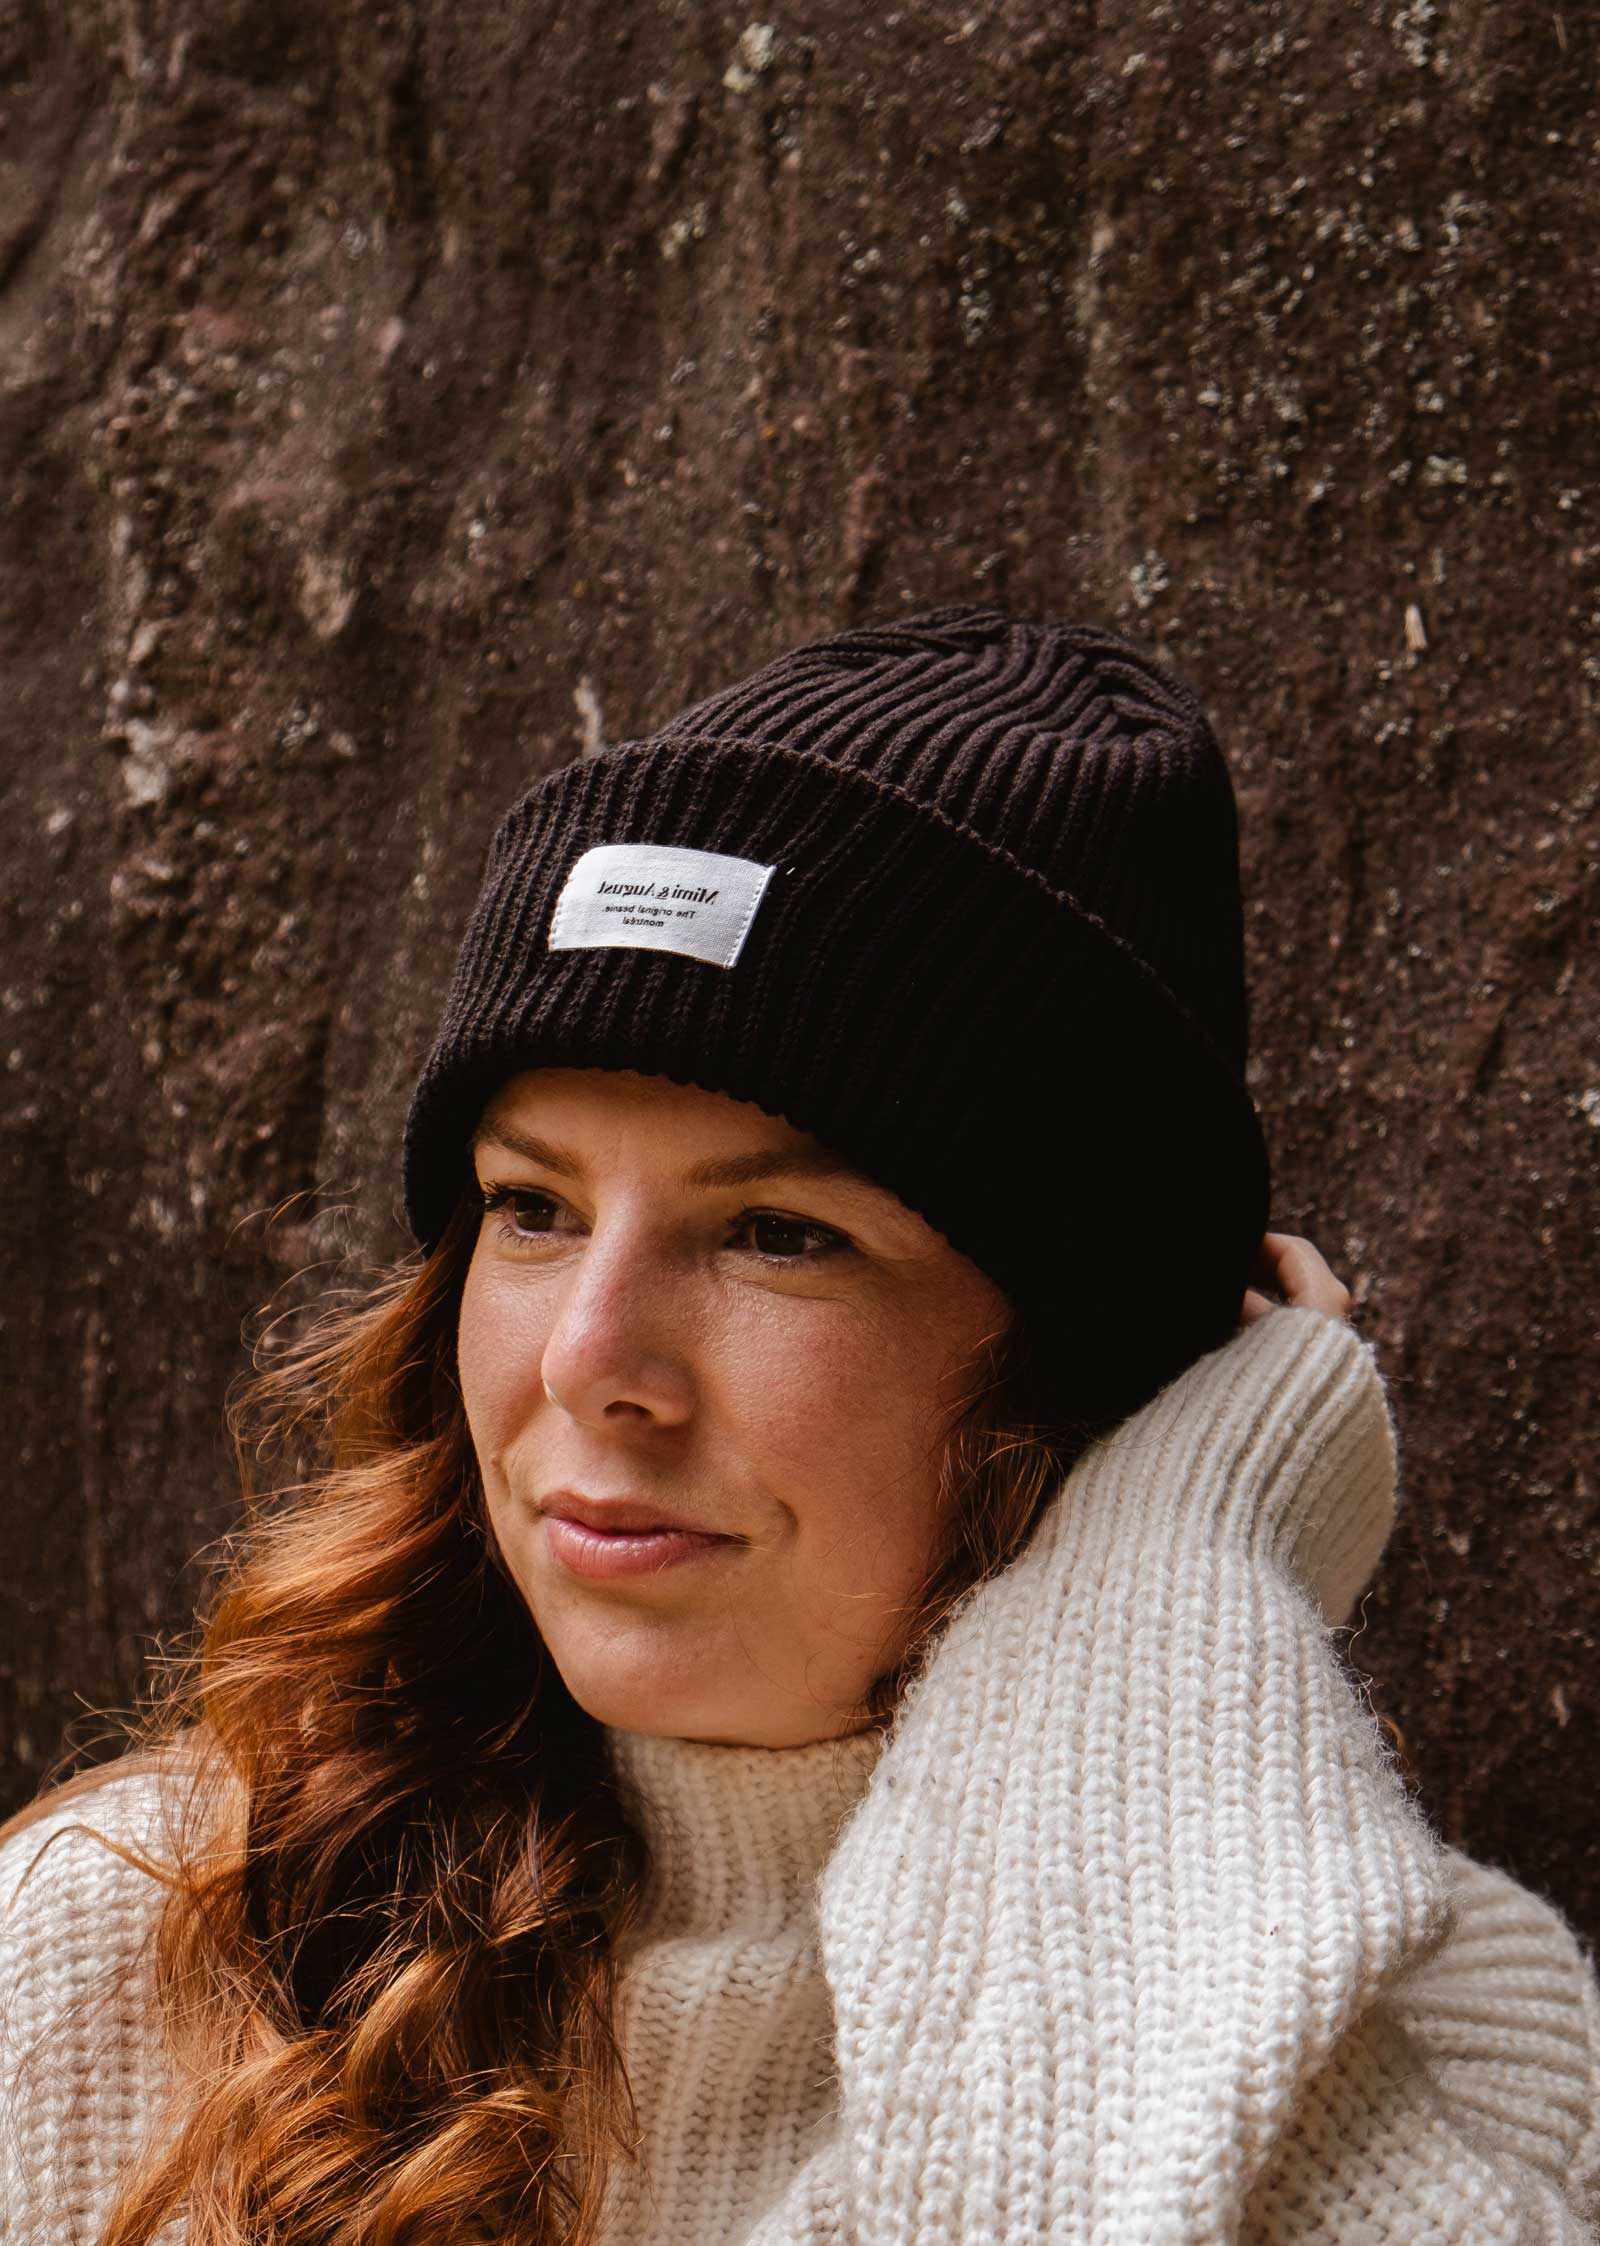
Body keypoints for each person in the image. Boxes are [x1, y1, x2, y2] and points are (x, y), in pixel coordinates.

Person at [3, 605, 1597, 2245]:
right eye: (531, 1205)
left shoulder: (1445, 2038)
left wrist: (1168, 1584)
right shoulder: (117, 1960)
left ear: (1080, 1366)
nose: (590, 1357)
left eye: (778, 1233)